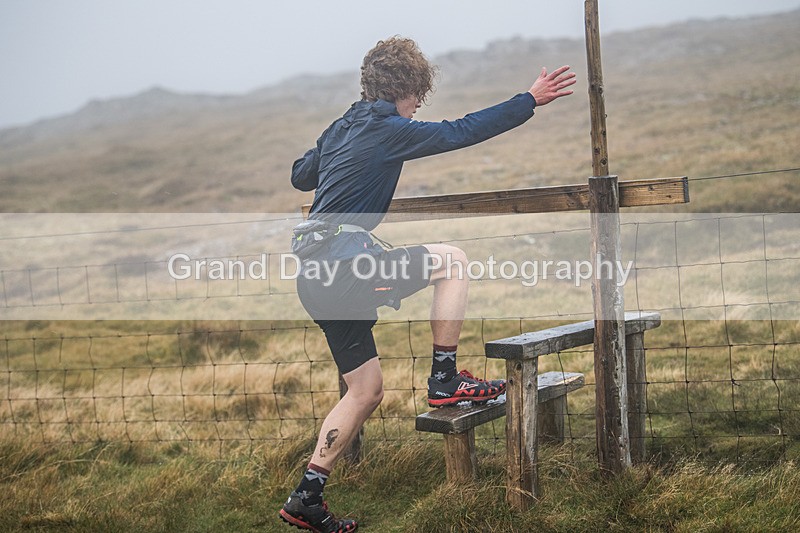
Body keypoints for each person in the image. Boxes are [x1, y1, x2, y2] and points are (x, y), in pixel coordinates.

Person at [280, 36, 575, 532]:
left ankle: (306, 498)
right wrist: (529, 100)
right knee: (453, 261)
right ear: (407, 87)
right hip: (347, 267)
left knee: (365, 390)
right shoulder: (388, 126)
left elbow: (300, 176)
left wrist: (333, 146)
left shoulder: (345, 124)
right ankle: (445, 378)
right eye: (418, 96)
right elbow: (458, 132)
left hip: (313, 277)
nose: (419, 107)